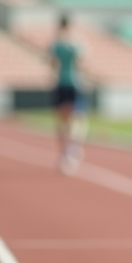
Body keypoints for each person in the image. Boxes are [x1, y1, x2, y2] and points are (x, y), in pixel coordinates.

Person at [49, 15, 83, 174]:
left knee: (65, 121)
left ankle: (68, 151)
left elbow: (52, 65)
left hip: (63, 84)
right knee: (70, 120)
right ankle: (70, 150)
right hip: (72, 84)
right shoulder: (75, 45)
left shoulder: (56, 45)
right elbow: (80, 64)